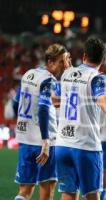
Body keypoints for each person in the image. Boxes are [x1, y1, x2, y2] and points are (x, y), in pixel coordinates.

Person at [55, 38, 106, 200]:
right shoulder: (98, 78)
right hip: (85, 146)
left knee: (68, 194)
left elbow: (54, 100)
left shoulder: (66, 74)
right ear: (103, 59)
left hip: (62, 145)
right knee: (92, 195)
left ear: (84, 55)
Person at [13, 44, 69, 200]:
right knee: (47, 191)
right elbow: (43, 109)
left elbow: (15, 102)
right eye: (60, 62)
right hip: (43, 141)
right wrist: (45, 141)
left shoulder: (28, 74)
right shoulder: (48, 80)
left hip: (25, 139)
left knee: (24, 191)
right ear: (50, 62)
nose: (63, 67)